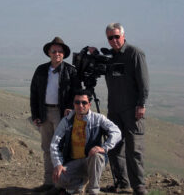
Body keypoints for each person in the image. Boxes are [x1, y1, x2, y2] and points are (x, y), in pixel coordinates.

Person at [95, 23, 149, 195]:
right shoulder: (111, 57)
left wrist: (141, 104)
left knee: (134, 149)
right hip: (114, 109)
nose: (114, 40)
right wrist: (94, 54)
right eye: (110, 37)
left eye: (116, 36)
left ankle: (139, 186)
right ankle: (122, 183)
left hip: (132, 109)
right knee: (115, 147)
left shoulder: (134, 53)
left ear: (123, 36)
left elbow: (144, 82)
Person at [30, 37, 80, 193]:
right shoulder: (41, 70)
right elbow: (34, 93)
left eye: (60, 51)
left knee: (62, 148)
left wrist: (71, 109)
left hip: (62, 114)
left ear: (64, 54)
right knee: (46, 148)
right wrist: (35, 115)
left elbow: (77, 93)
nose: (57, 53)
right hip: (45, 112)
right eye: (54, 51)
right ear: (49, 53)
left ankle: (61, 184)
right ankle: (48, 182)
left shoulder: (71, 71)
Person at [49, 89, 122, 195]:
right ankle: (81, 184)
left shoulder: (98, 118)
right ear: (74, 104)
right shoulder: (67, 120)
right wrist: (58, 164)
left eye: (84, 102)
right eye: (77, 102)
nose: (80, 105)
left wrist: (104, 148)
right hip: (74, 162)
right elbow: (54, 143)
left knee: (97, 155)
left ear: (89, 104)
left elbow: (116, 132)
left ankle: (93, 190)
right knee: (58, 179)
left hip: (92, 160)